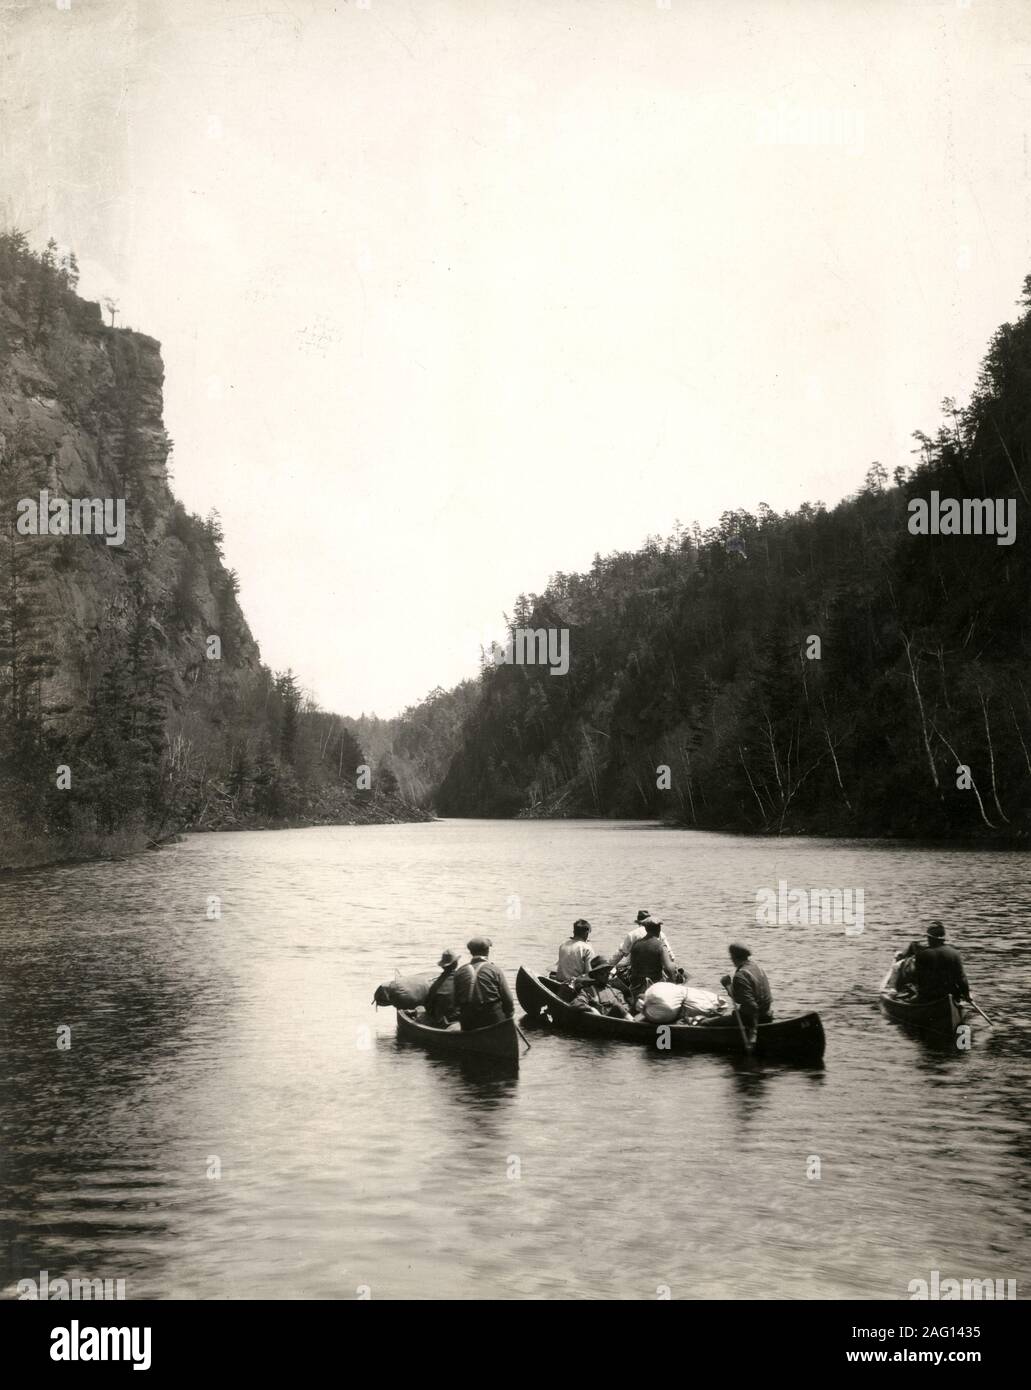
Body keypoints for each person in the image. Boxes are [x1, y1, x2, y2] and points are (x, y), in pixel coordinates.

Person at [454, 937, 515, 1031]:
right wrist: (509, 1016)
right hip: (493, 1021)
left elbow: (456, 1001)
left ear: (471, 952)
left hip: (469, 1022)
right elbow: (508, 1000)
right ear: (487, 951)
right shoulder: (495, 970)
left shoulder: (460, 971)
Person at [901, 921, 971, 1002]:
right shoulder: (955, 953)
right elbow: (962, 978)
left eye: (928, 937)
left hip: (928, 997)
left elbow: (919, 979)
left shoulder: (922, 954)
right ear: (943, 938)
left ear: (930, 938)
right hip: (951, 995)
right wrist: (966, 995)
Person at [720, 943, 773, 1037]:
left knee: (705, 1023)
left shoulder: (740, 975)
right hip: (766, 1016)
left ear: (733, 957)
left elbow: (751, 1007)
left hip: (752, 1020)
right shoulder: (757, 968)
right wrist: (728, 986)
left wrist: (753, 1032)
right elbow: (740, 998)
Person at [628, 918, 678, 999]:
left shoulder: (636, 945)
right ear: (658, 929)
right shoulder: (660, 945)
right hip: (654, 986)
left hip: (636, 985)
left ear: (646, 929)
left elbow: (632, 964)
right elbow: (669, 968)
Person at [611, 909, 676, 969]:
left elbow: (623, 953)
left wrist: (610, 966)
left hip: (635, 966)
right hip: (657, 966)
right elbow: (670, 954)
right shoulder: (661, 933)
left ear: (638, 922)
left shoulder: (632, 934)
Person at [424, 949, 461, 1027]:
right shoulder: (463, 980)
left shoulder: (436, 985)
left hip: (443, 1022)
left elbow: (428, 1007)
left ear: (442, 967)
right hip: (461, 1019)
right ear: (456, 964)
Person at [553, 919, 594, 983]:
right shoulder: (587, 948)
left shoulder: (563, 944)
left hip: (560, 980)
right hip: (574, 984)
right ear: (586, 933)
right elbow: (589, 973)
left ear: (573, 932)